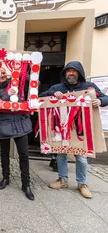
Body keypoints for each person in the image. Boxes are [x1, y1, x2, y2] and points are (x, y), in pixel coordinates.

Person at [40, 61, 108, 199]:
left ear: (79, 73)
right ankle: (62, 179)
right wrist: (53, 95)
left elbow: (105, 97)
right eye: (68, 71)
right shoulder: (58, 87)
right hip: (62, 128)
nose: (71, 73)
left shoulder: (89, 87)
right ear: (65, 73)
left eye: (74, 71)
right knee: (61, 155)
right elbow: (42, 96)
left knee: (82, 158)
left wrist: (100, 101)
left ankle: (82, 184)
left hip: (80, 129)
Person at [0, 67, 35, 201]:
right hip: (4, 124)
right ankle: (6, 177)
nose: (2, 74)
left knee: (24, 154)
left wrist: (22, 73)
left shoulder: (18, 84)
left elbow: (33, 83)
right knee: (4, 153)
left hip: (20, 123)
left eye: (4, 72)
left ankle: (26, 184)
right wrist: (7, 95)